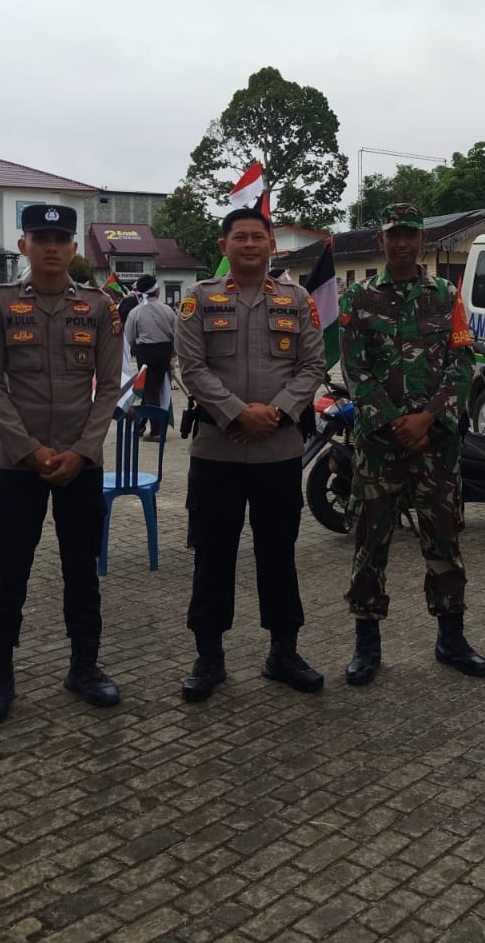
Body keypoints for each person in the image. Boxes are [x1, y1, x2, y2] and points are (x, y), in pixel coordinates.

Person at [0, 204, 123, 727]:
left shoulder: (101, 307)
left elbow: (110, 389)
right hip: (19, 465)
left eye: (61, 238)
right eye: (41, 237)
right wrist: (28, 449)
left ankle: (84, 666)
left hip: (82, 464)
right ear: (24, 246)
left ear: (75, 249)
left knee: (82, 568)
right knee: (9, 569)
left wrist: (82, 450)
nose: (52, 246)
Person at [172, 208, 327, 702]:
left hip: (278, 451)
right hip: (217, 450)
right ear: (224, 246)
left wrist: (276, 413)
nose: (249, 244)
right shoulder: (199, 300)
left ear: (271, 246)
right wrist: (238, 413)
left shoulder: (297, 300)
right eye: (239, 237)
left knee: (278, 554)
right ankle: (209, 657)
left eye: (257, 237)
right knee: (212, 556)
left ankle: (283, 651)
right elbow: (191, 369)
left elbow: (313, 365)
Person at [339, 203, 485, 684]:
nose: (402, 243)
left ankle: (452, 638)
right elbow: (355, 371)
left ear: (422, 241)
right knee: (370, 541)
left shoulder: (446, 294)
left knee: (443, 537)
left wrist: (426, 419)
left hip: (436, 445)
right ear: (381, 241)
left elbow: (463, 363)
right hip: (380, 445)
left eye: (410, 235)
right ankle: (367, 645)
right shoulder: (357, 298)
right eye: (393, 235)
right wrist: (393, 420)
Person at [124, 275, 178, 442]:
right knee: (161, 389)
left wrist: (138, 347)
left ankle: (154, 430)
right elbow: (177, 334)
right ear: (157, 291)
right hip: (165, 351)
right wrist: (173, 355)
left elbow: (130, 336)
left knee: (150, 389)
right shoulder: (168, 310)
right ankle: (148, 425)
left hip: (145, 352)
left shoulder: (136, 312)